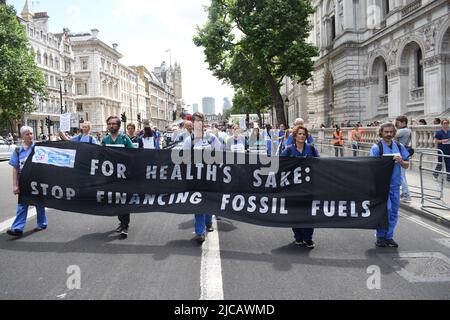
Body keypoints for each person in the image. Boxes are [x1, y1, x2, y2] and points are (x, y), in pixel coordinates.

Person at [182, 112, 222, 244]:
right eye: (196, 121)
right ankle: (200, 232)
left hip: (210, 176)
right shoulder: (189, 141)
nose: (198, 123)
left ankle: (208, 222)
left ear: (203, 123)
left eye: (200, 121)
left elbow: (220, 153)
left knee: (208, 201)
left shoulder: (211, 138)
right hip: (196, 177)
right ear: (192, 124)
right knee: (198, 204)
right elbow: (185, 159)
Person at [370, 123, 410, 248]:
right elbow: (371, 166)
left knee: (393, 211)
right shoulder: (376, 148)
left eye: (391, 132)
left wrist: (401, 161)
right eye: (386, 132)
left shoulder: (399, 146)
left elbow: (406, 164)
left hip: (395, 185)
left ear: (394, 133)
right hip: (382, 185)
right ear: (381, 132)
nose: (388, 134)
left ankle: (389, 236)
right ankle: (380, 236)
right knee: (385, 210)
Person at [280, 125, 319, 249]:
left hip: (308, 186)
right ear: (295, 136)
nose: (302, 136)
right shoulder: (289, 150)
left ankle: (308, 238)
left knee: (308, 212)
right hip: (293, 187)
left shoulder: (311, 149)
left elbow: (321, 164)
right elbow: (280, 164)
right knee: (295, 212)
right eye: (299, 134)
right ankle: (298, 236)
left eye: (304, 134)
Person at [6, 126, 47, 237]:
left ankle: (42, 223)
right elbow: (15, 168)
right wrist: (15, 185)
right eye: (27, 134)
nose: (30, 136)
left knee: (39, 202)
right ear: (22, 136)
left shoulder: (38, 147)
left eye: (31, 133)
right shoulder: (18, 150)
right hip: (23, 181)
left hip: (37, 180)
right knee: (22, 204)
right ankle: (17, 228)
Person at [101, 116, 135, 239]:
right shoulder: (105, 139)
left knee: (124, 199)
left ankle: (125, 225)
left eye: (113, 124)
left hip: (124, 174)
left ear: (119, 126)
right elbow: (101, 155)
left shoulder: (125, 139)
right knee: (116, 199)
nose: (111, 126)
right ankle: (121, 221)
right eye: (109, 124)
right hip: (111, 175)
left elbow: (133, 154)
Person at [395, 116, 412, 202]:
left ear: (404, 123)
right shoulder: (407, 130)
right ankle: (404, 193)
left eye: (398, 122)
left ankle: (406, 194)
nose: (396, 124)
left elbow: (391, 134)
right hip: (403, 154)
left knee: (401, 176)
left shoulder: (404, 130)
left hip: (401, 154)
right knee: (402, 175)